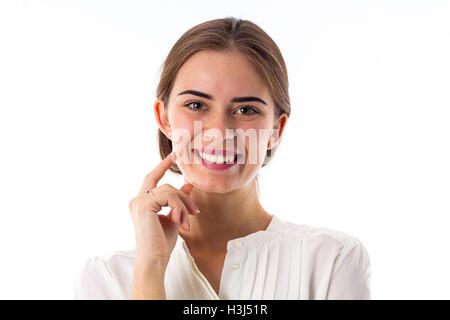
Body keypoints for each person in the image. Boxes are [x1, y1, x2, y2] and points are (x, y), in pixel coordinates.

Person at [74, 17, 371, 300]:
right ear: (164, 118)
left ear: (275, 129)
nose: (219, 132)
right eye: (196, 105)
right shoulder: (108, 277)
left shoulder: (332, 261)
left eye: (246, 110)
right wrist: (150, 268)